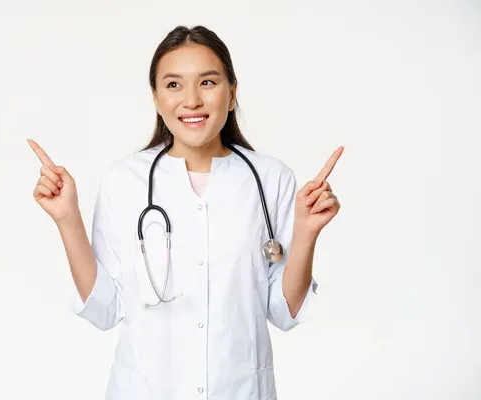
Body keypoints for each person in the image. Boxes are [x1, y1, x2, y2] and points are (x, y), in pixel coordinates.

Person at [28, 25, 343, 400]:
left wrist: (307, 231)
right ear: (157, 98)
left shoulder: (271, 178)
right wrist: (67, 219)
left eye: (208, 82)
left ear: (231, 94)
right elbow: (105, 309)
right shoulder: (125, 179)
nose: (191, 100)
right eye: (174, 85)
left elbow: (284, 312)